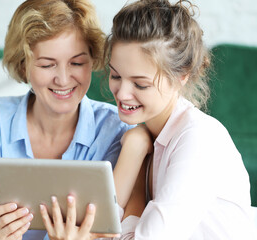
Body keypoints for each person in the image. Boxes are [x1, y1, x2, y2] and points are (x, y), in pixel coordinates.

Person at [41, 0, 257, 239]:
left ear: (180, 77)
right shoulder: (138, 135)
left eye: (140, 84)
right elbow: (100, 226)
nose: (122, 94)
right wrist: (134, 150)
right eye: (115, 75)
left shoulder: (198, 139)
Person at [0, 0, 131, 239]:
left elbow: (117, 229)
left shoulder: (115, 129)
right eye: (47, 65)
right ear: (24, 67)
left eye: (77, 63)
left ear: (92, 59)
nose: (64, 80)